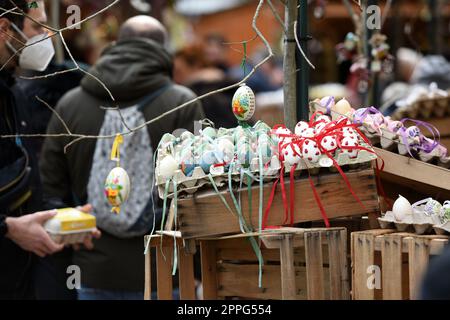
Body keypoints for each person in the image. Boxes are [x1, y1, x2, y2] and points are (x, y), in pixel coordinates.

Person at [40, 15, 204, 300]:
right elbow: (199, 190)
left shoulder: (71, 103)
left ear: (117, 46)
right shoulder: (182, 103)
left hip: (92, 269)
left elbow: (49, 183)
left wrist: (73, 231)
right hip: (164, 272)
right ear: (164, 51)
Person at [174, 43, 237, 128]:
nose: (175, 79)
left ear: (196, 66)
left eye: (179, 72)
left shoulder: (205, 95)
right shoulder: (224, 83)